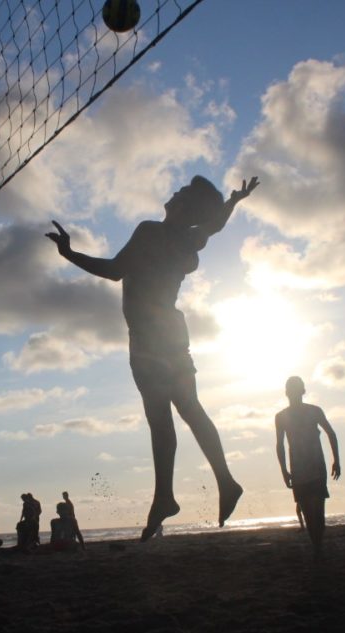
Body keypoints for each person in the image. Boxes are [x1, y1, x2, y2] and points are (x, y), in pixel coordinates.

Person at [46, 176, 259, 541]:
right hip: (173, 332)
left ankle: (166, 497)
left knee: (162, 422)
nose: (173, 192)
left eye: (181, 193)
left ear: (183, 207)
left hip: (147, 339)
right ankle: (222, 480)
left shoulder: (150, 231)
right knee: (191, 408)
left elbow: (114, 271)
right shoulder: (191, 238)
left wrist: (69, 254)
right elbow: (215, 225)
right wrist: (234, 202)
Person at [275, 376, 341, 560]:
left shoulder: (314, 411)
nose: (294, 393)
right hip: (298, 470)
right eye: (292, 390)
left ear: (302, 391)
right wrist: (284, 470)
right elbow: (279, 445)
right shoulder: (281, 417)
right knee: (308, 513)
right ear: (287, 393)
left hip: (316, 467)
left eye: (297, 390)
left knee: (318, 512)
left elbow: (331, 433)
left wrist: (336, 460)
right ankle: (317, 547)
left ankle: (318, 547)